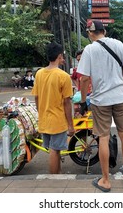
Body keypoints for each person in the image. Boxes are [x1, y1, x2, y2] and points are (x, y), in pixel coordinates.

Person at [77, 19, 123, 192]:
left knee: (103, 137)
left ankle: (105, 180)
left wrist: (82, 101)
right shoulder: (118, 44)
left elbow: (84, 78)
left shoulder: (89, 49)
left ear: (90, 33)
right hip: (120, 97)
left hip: (100, 100)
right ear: (104, 31)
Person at [31, 42, 75, 174]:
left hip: (44, 119)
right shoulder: (64, 76)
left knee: (52, 149)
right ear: (59, 56)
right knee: (55, 151)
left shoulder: (39, 73)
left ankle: (57, 174)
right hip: (57, 120)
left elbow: (36, 97)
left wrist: (42, 113)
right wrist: (70, 125)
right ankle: (54, 178)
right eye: (62, 57)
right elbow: (67, 102)